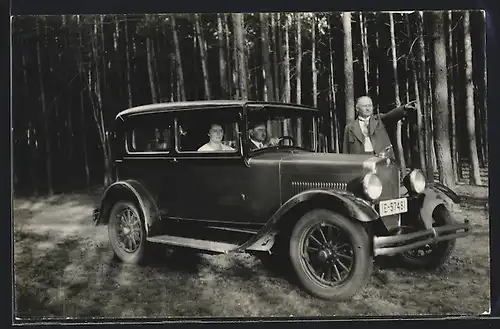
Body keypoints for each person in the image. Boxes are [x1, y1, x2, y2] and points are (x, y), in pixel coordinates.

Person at [343, 96, 417, 155]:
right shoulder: (350, 127)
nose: (368, 108)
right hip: (360, 163)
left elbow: (391, 116)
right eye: (365, 106)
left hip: (381, 160)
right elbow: (345, 150)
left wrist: (404, 109)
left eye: (370, 105)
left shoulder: (379, 120)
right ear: (357, 108)